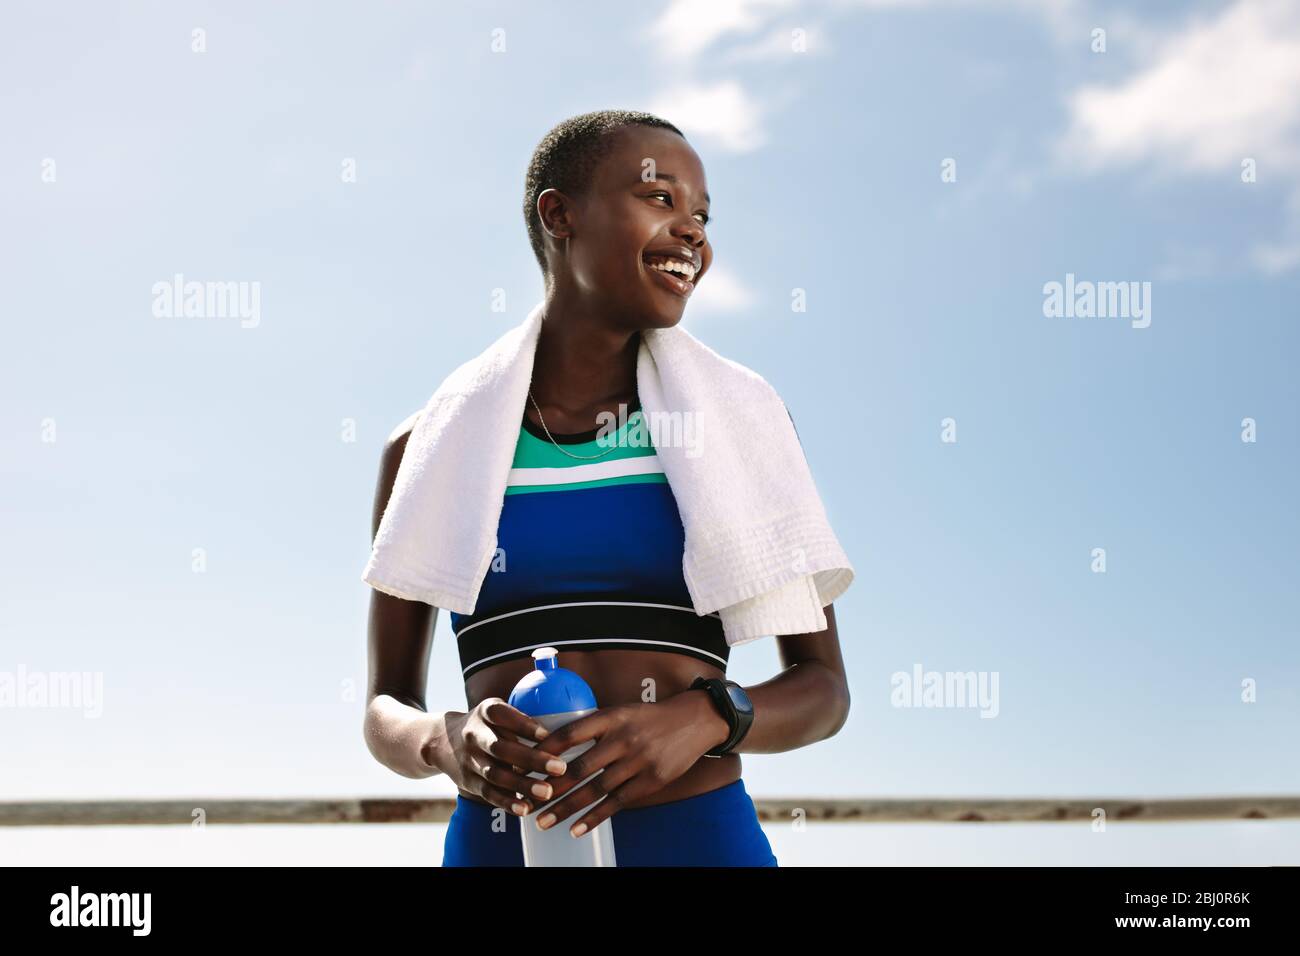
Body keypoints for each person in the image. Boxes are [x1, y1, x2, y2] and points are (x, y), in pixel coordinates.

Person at [363, 109, 849, 866]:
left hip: (701, 842)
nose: (692, 231)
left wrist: (706, 716)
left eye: (702, 215)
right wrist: (447, 740)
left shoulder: (739, 423)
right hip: (499, 847)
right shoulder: (428, 445)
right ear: (559, 215)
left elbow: (823, 690)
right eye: (661, 199)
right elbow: (385, 705)